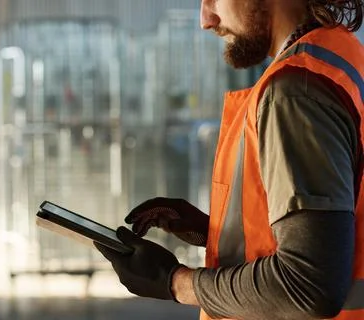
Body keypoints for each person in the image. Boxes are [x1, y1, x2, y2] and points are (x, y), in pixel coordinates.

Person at [94, 0, 364, 319]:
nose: (206, 20)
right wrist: (215, 232)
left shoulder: (294, 90)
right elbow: (338, 235)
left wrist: (174, 282)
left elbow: (308, 284)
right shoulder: (341, 54)